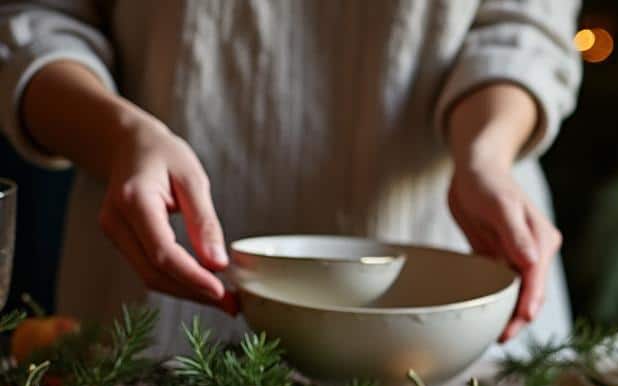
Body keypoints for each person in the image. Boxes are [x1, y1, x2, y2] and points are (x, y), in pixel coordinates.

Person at [0, 0, 581, 351]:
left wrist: (485, 153)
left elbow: (523, 26)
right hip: (160, 315)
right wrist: (119, 136)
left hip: (452, 325)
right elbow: (36, 19)